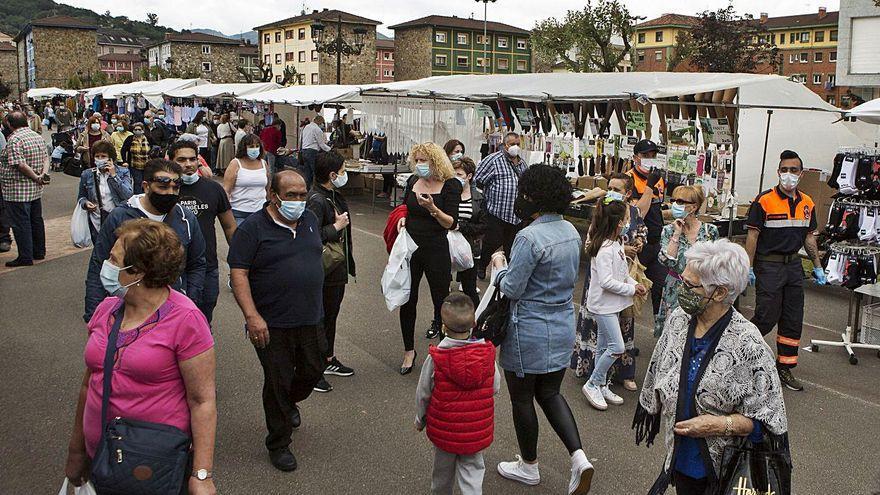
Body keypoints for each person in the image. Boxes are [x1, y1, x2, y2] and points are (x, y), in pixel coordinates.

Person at [63, 219, 217, 495]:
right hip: (102, 456)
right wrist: (77, 450)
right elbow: (90, 383)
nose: (106, 265)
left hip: (155, 465)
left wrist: (201, 474)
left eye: (113, 259)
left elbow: (202, 400)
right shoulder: (106, 311)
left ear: (137, 271)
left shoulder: (187, 319)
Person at [635, 239, 789, 495]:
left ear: (719, 292)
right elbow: (658, 367)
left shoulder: (749, 344)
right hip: (679, 459)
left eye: (689, 284)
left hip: (725, 472)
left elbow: (767, 419)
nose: (680, 287)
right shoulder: (678, 320)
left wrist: (716, 425)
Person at [489, 165, 594, 495]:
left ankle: (529, 466)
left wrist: (498, 267)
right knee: (550, 392)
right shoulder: (570, 232)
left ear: (532, 195)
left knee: (522, 398)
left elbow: (513, 288)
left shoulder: (528, 236)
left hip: (528, 327)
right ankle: (578, 459)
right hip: (562, 321)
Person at [228, 169, 325, 472]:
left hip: (311, 317)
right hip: (271, 323)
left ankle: (289, 403)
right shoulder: (252, 229)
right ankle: (279, 442)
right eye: (290, 195)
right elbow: (238, 274)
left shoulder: (308, 220)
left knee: (313, 369)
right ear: (273, 195)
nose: (298, 201)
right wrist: (252, 316)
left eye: (302, 195)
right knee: (278, 381)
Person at [83, 159, 206, 323]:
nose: (169, 192)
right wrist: (94, 315)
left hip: (170, 314)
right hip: (126, 312)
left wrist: (190, 298)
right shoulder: (120, 217)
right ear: (146, 186)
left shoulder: (186, 219)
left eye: (175, 188)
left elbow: (197, 264)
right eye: (162, 187)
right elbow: (98, 265)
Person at [746, 150, 826, 392]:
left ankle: (784, 367)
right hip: (768, 264)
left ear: (801, 174)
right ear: (778, 172)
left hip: (793, 266)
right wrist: (747, 267)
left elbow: (809, 238)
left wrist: (818, 267)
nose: (788, 174)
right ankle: (745, 357)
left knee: (792, 319)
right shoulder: (764, 200)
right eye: (784, 169)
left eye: (793, 170)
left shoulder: (807, 203)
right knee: (766, 316)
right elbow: (752, 236)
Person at [415, 292, 500, 495]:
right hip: (476, 429)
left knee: (442, 473)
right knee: (473, 471)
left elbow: (423, 392)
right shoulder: (487, 355)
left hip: (445, 430)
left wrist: (420, 419)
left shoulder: (437, 358)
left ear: (443, 327)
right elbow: (495, 386)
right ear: (474, 324)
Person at [573, 174, 646, 391]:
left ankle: (603, 381)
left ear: (628, 192)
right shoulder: (605, 236)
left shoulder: (630, 216)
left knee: (610, 339)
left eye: (617, 188)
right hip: (606, 290)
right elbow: (593, 251)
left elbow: (640, 233)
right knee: (613, 343)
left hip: (620, 284)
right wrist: (631, 285)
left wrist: (635, 246)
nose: (612, 190)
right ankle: (594, 381)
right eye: (610, 187)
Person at [396, 142, 462, 374]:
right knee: (408, 298)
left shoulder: (451, 184)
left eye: (425, 160)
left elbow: (451, 222)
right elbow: (404, 207)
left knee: (441, 300)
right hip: (412, 248)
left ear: (436, 161)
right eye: (418, 160)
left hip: (436, 248)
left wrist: (433, 209)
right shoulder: (414, 181)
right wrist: (401, 218)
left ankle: (445, 352)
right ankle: (408, 351)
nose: (420, 164)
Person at [306, 151, 356, 393]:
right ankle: (314, 369)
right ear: (333, 174)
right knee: (321, 318)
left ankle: (327, 359)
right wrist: (336, 227)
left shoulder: (331, 194)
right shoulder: (317, 199)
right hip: (324, 268)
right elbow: (310, 235)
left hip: (335, 268)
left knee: (330, 315)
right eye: (344, 170)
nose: (345, 175)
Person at [172, 140, 237, 324]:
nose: (188, 164)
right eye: (182, 160)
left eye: (193, 159)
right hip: (173, 268)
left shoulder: (213, 189)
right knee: (177, 318)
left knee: (205, 313)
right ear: (171, 161)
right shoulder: (166, 190)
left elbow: (230, 226)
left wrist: (241, 257)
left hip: (207, 266)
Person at [655, 185, 719, 337]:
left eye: (681, 201)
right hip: (675, 287)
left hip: (702, 288)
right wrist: (676, 234)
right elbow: (666, 261)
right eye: (674, 200)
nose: (676, 204)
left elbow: (716, 264)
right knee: (674, 332)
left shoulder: (710, 231)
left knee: (699, 330)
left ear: (694, 206)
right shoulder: (668, 230)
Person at [473, 132, 527, 280]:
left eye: (517, 143)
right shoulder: (493, 160)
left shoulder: (522, 164)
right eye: (511, 144)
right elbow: (477, 180)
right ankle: (482, 266)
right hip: (496, 212)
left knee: (511, 247)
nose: (515, 147)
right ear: (504, 145)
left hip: (516, 215)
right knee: (491, 243)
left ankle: (508, 275)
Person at [0, 111, 48, 267]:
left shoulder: (15, 139)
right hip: (35, 188)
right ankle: (39, 251)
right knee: (36, 220)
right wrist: (42, 175)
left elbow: (19, 164)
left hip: (18, 189)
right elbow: (46, 157)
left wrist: (35, 176)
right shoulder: (36, 136)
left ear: (9, 124)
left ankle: (25, 256)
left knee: (21, 223)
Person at [627, 140, 667, 319]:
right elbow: (638, 214)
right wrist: (649, 186)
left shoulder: (659, 180)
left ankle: (661, 330)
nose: (650, 159)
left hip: (656, 243)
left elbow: (657, 208)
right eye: (645, 156)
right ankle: (626, 340)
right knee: (631, 292)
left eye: (653, 156)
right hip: (637, 244)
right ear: (636, 157)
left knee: (660, 288)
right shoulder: (629, 179)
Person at [77, 140, 133, 243]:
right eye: (97, 156)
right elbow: (81, 197)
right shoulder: (87, 174)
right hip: (96, 220)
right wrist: (85, 203)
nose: (100, 159)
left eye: (103, 156)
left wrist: (114, 176)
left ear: (110, 158)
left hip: (117, 220)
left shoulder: (123, 172)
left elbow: (128, 195)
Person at [452, 157, 486, 308]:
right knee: (440, 288)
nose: (456, 178)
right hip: (447, 246)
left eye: (459, 174)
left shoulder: (478, 198)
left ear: (469, 176)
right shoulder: (448, 194)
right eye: (454, 174)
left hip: (469, 248)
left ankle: (476, 321)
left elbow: (483, 226)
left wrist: (460, 226)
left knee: (469, 288)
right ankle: (440, 322)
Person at [224, 134, 270, 226]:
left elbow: (267, 188)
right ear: (244, 148)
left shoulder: (263, 163)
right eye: (251, 146)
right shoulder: (235, 164)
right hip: (239, 213)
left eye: (257, 146)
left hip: (260, 212)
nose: (255, 149)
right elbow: (226, 190)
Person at [300, 115, 331, 188]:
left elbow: (301, 140)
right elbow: (322, 145)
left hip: (304, 151)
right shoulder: (317, 129)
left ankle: (307, 189)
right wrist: (330, 150)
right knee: (315, 172)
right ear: (319, 122)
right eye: (322, 123)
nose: (323, 125)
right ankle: (316, 189)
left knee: (307, 173)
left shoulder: (306, 127)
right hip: (312, 152)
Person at [120, 122, 151, 194]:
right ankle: (138, 197)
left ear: (142, 130)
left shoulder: (148, 138)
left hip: (147, 165)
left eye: (139, 129)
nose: (137, 131)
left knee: (146, 182)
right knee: (138, 182)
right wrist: (124, 161)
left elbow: (153, 148)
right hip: (135, 165)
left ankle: (146, 196)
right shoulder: (130, 138)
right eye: (135, 129)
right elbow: (123, 150)